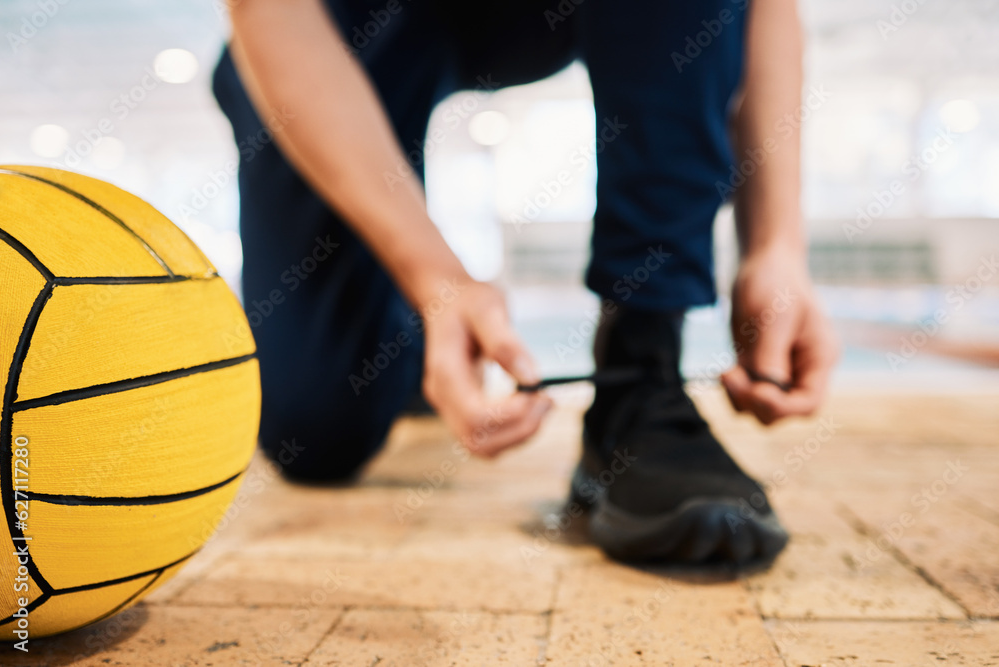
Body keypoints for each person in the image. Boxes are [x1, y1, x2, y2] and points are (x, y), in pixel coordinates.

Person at [212, 0, 839, 564]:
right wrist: (435, 282)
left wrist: (777, 247)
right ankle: (403, 335)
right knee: (316, 428)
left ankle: (642, 364)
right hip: (342, 24)